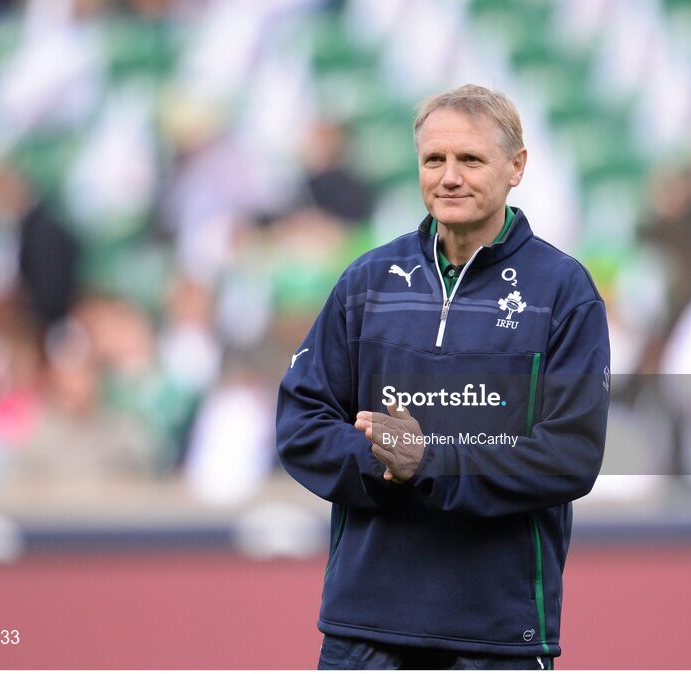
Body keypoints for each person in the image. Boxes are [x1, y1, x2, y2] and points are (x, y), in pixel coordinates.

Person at [277, 84, 610, 669]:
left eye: (471, 159)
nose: (449, 177)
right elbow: (300, 425)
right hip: (365, 630)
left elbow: (570, 455)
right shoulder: (367, 281)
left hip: (497, 635)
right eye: (434, 159)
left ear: (516, 167)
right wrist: (385, 461)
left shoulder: (564, 292)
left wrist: (430, 461)